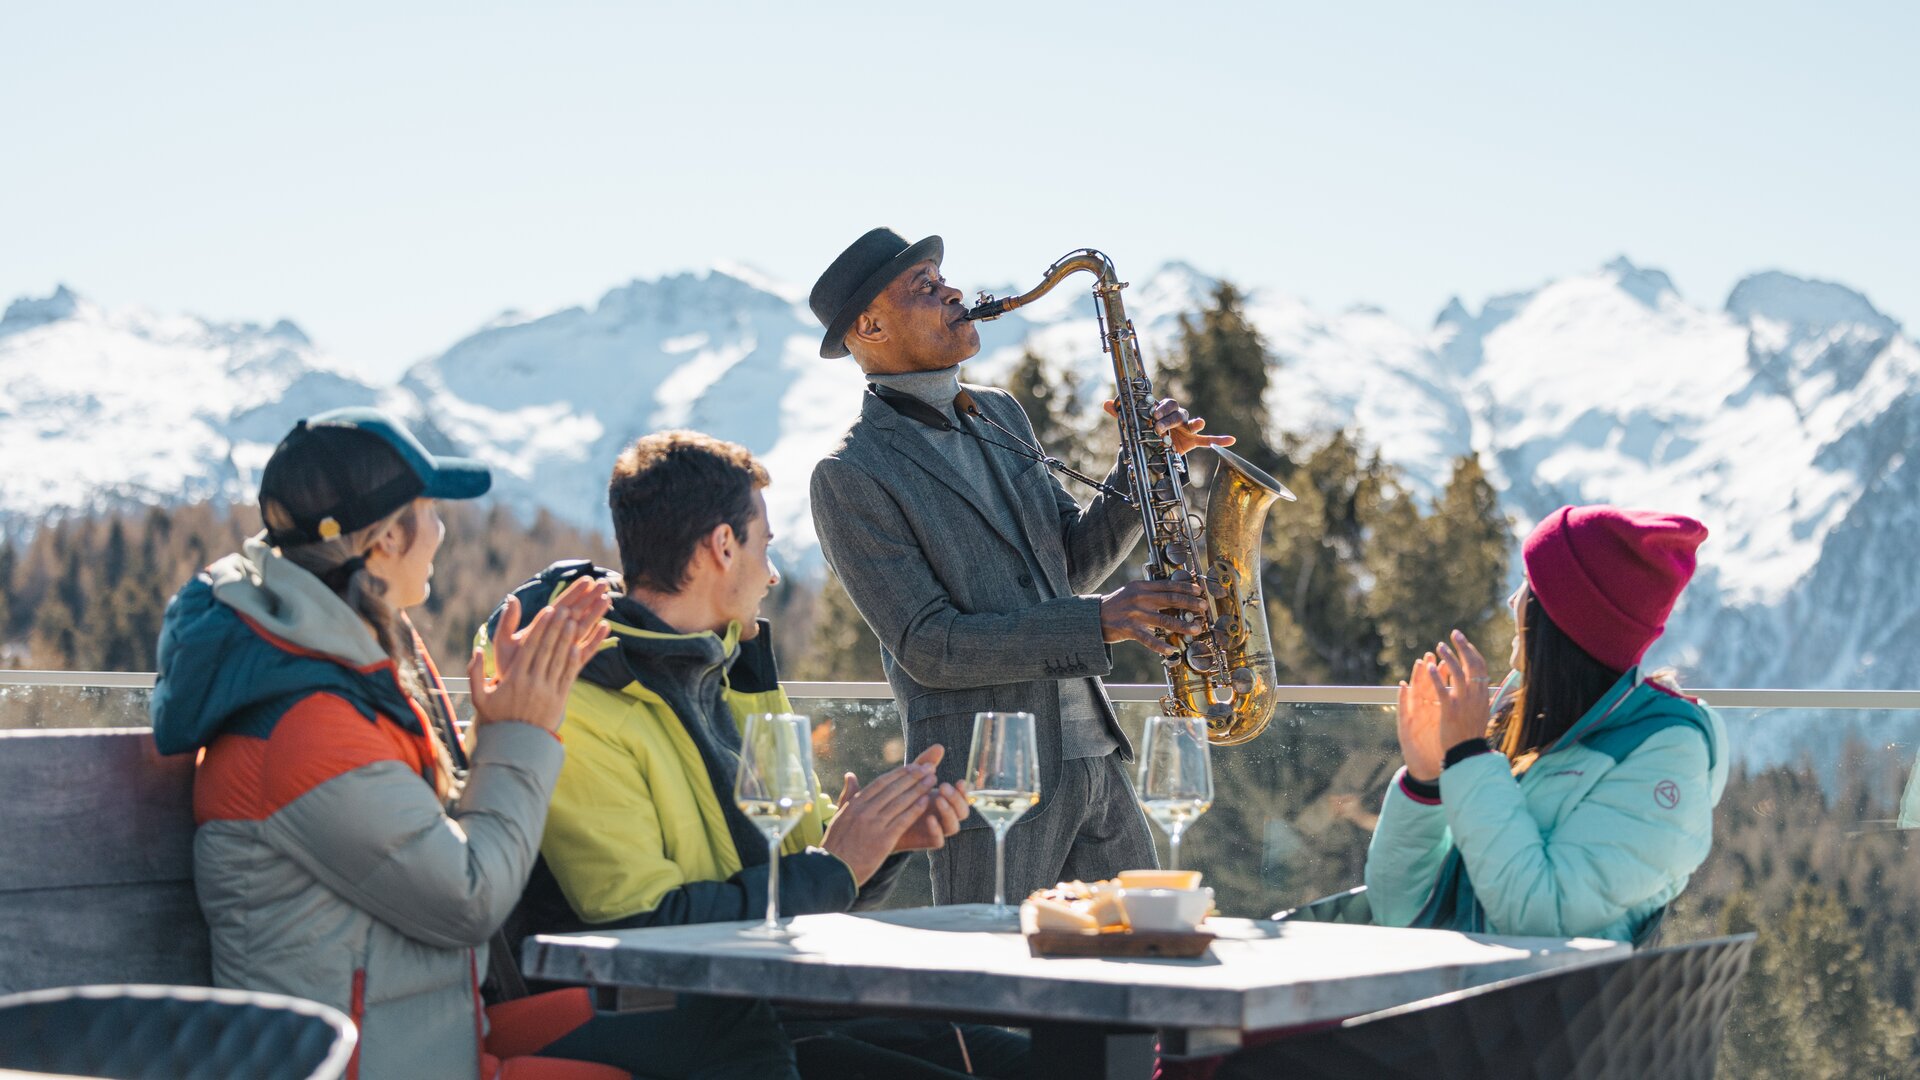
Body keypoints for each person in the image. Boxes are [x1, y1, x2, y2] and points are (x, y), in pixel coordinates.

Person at [486, 430, 1029, 1079]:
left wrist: (878, 845)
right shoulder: (583, 700)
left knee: (1040, 1059)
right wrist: (837, 864)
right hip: (693, 1024)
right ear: (722, 546)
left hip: (786, 996)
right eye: (763, 545)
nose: (772, 573)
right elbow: (640, 929)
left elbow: (810, 878)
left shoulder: (732, 674)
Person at [148, 408, 649, 1080]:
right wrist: (524, 731)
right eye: (430, 512)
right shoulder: (306, 725)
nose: (442, 533)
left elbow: (413, 839)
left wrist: (497, 727)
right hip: (370, 1065)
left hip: (432, 1037)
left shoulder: (338, 677)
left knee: (713, 1023)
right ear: (385, 538)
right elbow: (468, 896)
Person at [807, 227, 1227, 905]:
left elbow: (1071, 562)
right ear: (871, 324)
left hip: (1097, 759)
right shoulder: (849, 474)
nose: (951, 288)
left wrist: (1146, 461)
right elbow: (930, 646)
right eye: (923, 284)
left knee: (1142, 963)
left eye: (942, 275)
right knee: (997, 988)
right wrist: (1101, 623)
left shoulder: (1002, 413)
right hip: (989, 778)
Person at [1366, 504, 1727, 944]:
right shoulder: (1519, 710)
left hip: (1545, 1010)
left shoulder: (1666, 754)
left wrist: (1467, 756)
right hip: (1453, 995)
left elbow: (1540, 921)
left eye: (1529, 585)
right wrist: (1426, 782)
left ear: (1563, 618)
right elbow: (1396, 914)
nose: (1513, 600)